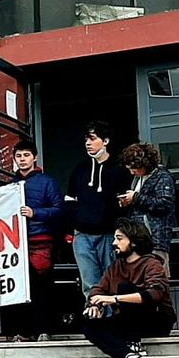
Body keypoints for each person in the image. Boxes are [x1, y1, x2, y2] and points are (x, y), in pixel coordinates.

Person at [81, 219, 175, 358]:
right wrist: (94, 305)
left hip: (156, 320)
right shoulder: (115, 267)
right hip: (125, 321)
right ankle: (128, 356)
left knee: (126, 288)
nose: (113, 243)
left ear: (134, 242)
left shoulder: (152, 264)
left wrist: (115, 299)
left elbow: (155, 294)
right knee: (88, 323)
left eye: (119, 238)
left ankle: (133, 343)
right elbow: (98, 289)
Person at [4, 140, 64, 342]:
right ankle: (22, 331)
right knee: (18, 290)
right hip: (15, 244)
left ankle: (44, 330)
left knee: (42, 288)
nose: (22, 160)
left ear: (35, 157)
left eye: (26, 155)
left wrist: (34, 212)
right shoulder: (8, 186)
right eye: (19, 156)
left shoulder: (48, 182)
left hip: (41, 242)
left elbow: (59, 210)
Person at [67, 121, 132, 300]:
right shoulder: (80, 169)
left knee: (113, 281)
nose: (88, 143)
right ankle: (96, 323)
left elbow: (126, 203)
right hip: (82, 235)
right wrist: (75, 223)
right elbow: (69, 199)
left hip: (109, 235)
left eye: (92, 138)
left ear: (106, 141)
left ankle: (114, 323)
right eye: (86, 139)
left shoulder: (120, 170)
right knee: (89, 283)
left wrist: (119, 230)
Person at [118, 143, 177, 276]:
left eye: (134, 168)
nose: (131, 172)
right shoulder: (139, 178)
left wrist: (136, 197)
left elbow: (164, 204)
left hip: (155, 238)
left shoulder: (163, 177)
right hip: (140, 238)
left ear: (145, 164)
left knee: (156, 277)